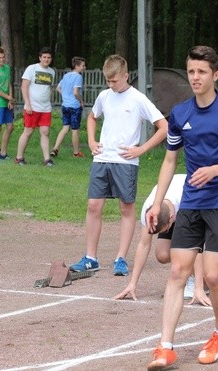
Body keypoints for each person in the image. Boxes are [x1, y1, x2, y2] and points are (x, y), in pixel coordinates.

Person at [145, 46, 218, 370]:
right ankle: (165, 346)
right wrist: (156, 202)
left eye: (201, 72)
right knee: (178, 271)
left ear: (215, 75)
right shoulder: (180, 113)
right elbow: (169, 160)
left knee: (211, 275)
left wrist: (217, 169)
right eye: (191, 71)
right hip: (191, 202)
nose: (195, 77)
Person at [69, 54, 168, 276]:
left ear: (126, 76)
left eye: (114, 81)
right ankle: (91, 258)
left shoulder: (138, 99)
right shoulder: (104, 96)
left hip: (126, 162)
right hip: (102, 159)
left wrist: (141, 149)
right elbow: (92, 117)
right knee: (94, 205)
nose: (111, 85)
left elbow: (164, 127)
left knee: (126, 208)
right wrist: (92, 141)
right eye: (108, 81)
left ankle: (121, 259)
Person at [113, 174, 211, 306]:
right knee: (162, 255)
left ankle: (196, 281)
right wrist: (132, 283)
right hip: (172, 206)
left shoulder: (185, 203)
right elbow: (143, 244)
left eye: (165, 229)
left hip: (199, 199)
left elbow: (196, 248)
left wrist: (199, 289)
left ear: (171, 218)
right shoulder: (149, 211)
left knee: (186, 248)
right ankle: (193, 275)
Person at [15, 46, 55, 166]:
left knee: (45, 132)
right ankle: (19, 157)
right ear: (40, 58)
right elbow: (24, 86)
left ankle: (47, 159)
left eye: (48, 58)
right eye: (44, 57)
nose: (46, 60)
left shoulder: (51, 72)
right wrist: (28, 104)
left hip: (45, 108)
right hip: (32, 107)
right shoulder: (32, 68)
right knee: (28, 131)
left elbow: (49, 88)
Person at [50, 56, 86, 158]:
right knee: (75, 130)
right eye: (83, 65)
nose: (84, 67)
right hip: (74, 107)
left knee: (65, 128)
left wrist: (65, 96)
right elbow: (76, 92)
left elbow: (58, 88)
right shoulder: (78, 77)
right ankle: (76, 153)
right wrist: (81, 101)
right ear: (77, 66)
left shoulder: (66, 76)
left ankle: (55, 148)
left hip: (65, 105)